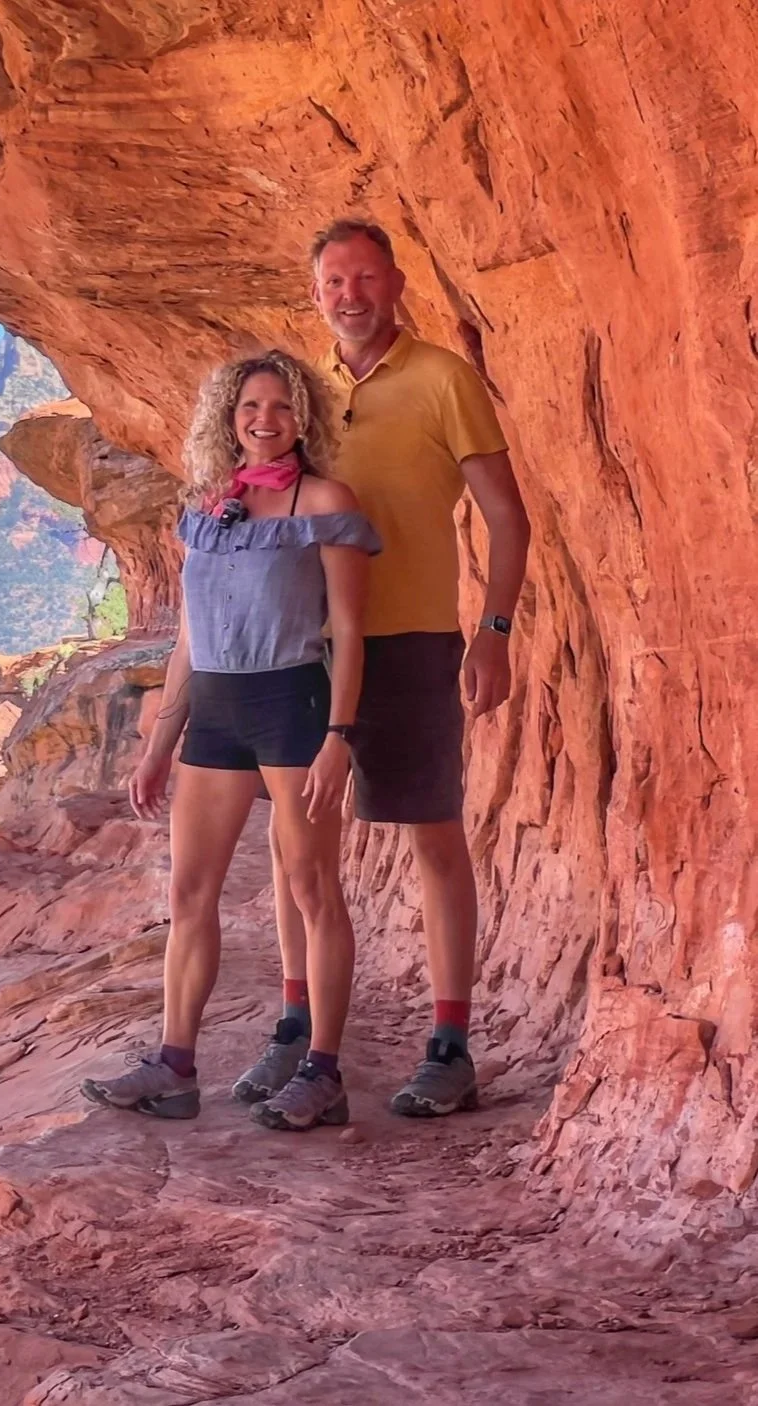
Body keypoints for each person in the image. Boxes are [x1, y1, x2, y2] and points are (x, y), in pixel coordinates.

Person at [235, 219, 531, 1118]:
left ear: (397, 283)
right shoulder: (301, 394)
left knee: (434, 835)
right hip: (302, 646)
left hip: (410, 642)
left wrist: (494, 629)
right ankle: (298, 1035)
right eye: (333, 281)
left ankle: (450, 1045)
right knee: (297, 852)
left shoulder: (444, 379)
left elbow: (507, 518)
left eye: (365, 277)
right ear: (315, 292)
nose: (350, 294)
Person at [82, 350, 381, 1129]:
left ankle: (323, 1071)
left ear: (303, 418)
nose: (265, 420)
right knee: (189, 894)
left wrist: (339, 736)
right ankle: (174, 1068)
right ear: (229, 417)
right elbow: (189, 634)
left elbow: (349, 631)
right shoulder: (208, 510)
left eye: (281, 407)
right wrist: (158, 742)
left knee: (313, 888)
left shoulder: (325, 502)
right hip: (215, 708)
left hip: (291, 702)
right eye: (250, 407)